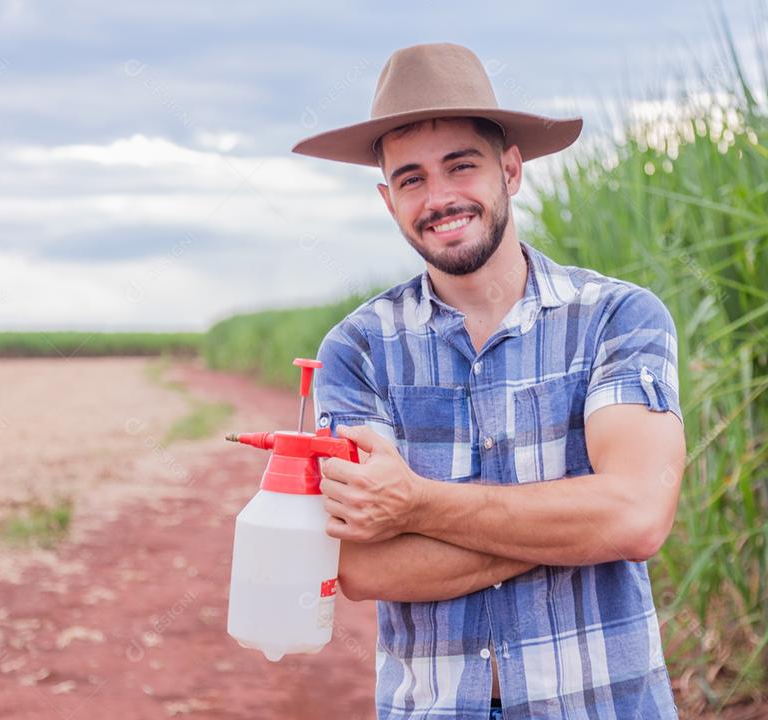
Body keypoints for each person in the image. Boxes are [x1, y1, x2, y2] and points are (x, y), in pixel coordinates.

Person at [293, 42, 685, 720]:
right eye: (411, 179)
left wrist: (413, 505)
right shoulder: (356, 351)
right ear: (388, 200)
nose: (439, 197)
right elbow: (360, 568)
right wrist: (571, 525)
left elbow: (635, 517)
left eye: (460, 166)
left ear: (510, 170)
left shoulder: (617, 319)